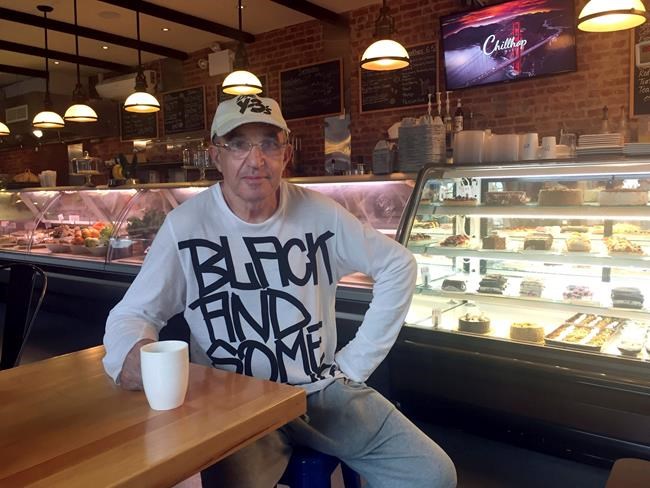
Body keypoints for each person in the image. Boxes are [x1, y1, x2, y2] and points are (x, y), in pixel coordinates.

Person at [103, 94, 456, 488]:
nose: (255, 160)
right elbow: (133, 313)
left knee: (432, 474)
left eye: (269, 143)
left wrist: (354, 365)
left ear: (286, 154)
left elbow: (398, 264)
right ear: (216, 155)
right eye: (238, 144)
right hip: (231, 402)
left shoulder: (321, 213)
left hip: (320, 391)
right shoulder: (184, 225)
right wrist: (130, 353)